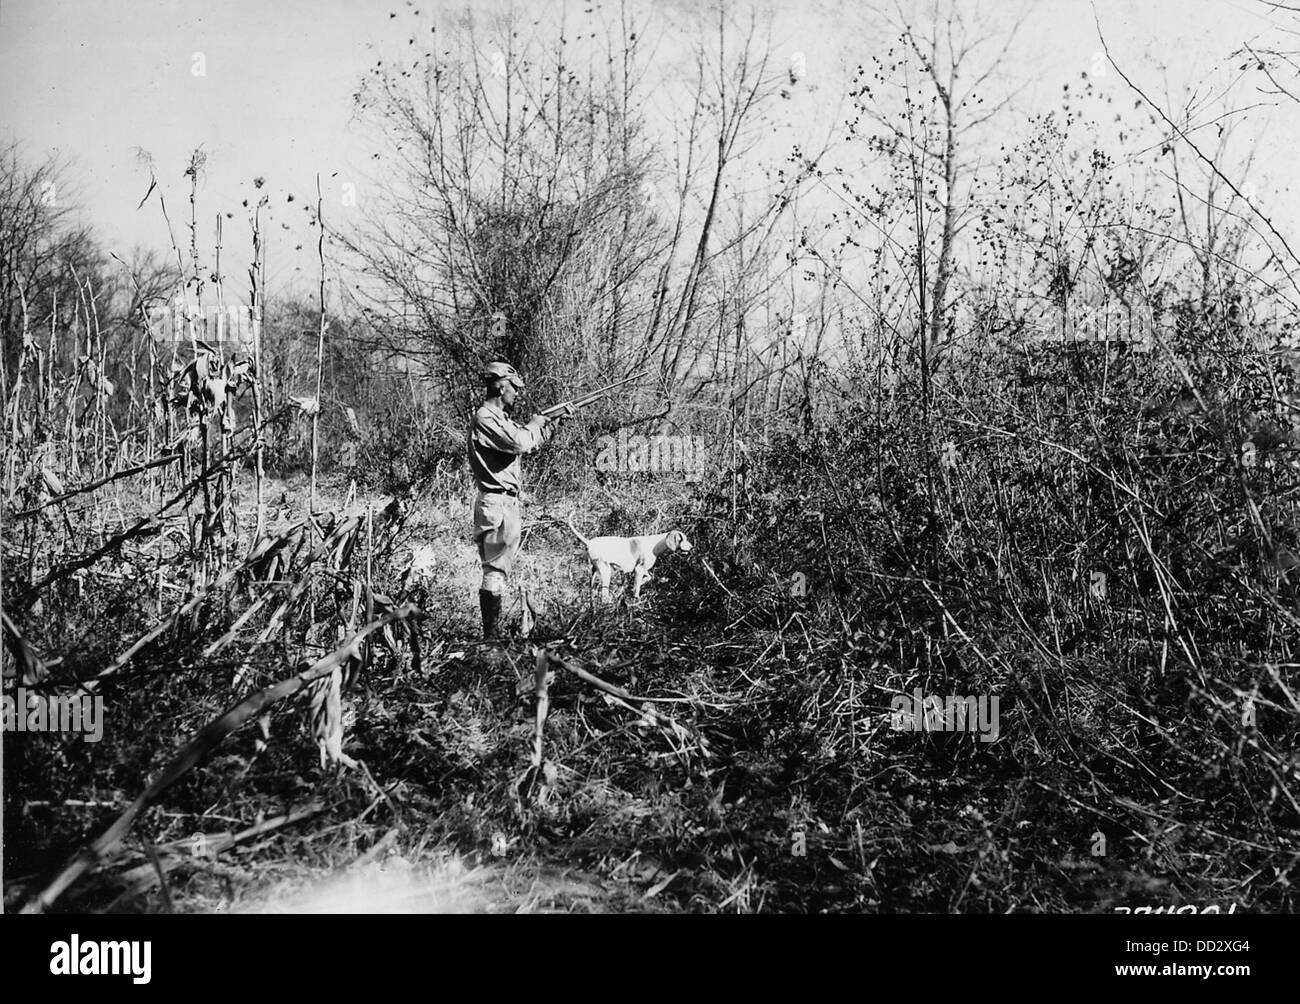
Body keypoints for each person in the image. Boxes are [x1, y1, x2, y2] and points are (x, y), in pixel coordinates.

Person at [468, 361, 571, 639]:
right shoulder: (486, 418)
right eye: (514, 388)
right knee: (495, 570)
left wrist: (551, 426)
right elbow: (520, 442)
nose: (517, 393)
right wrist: (537, 423)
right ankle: (490, 639)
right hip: (495, 504)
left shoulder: (500, 419)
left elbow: (528, 443)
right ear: (501, 386)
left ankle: (493, 636)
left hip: (506, 504)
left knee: (500, 569)